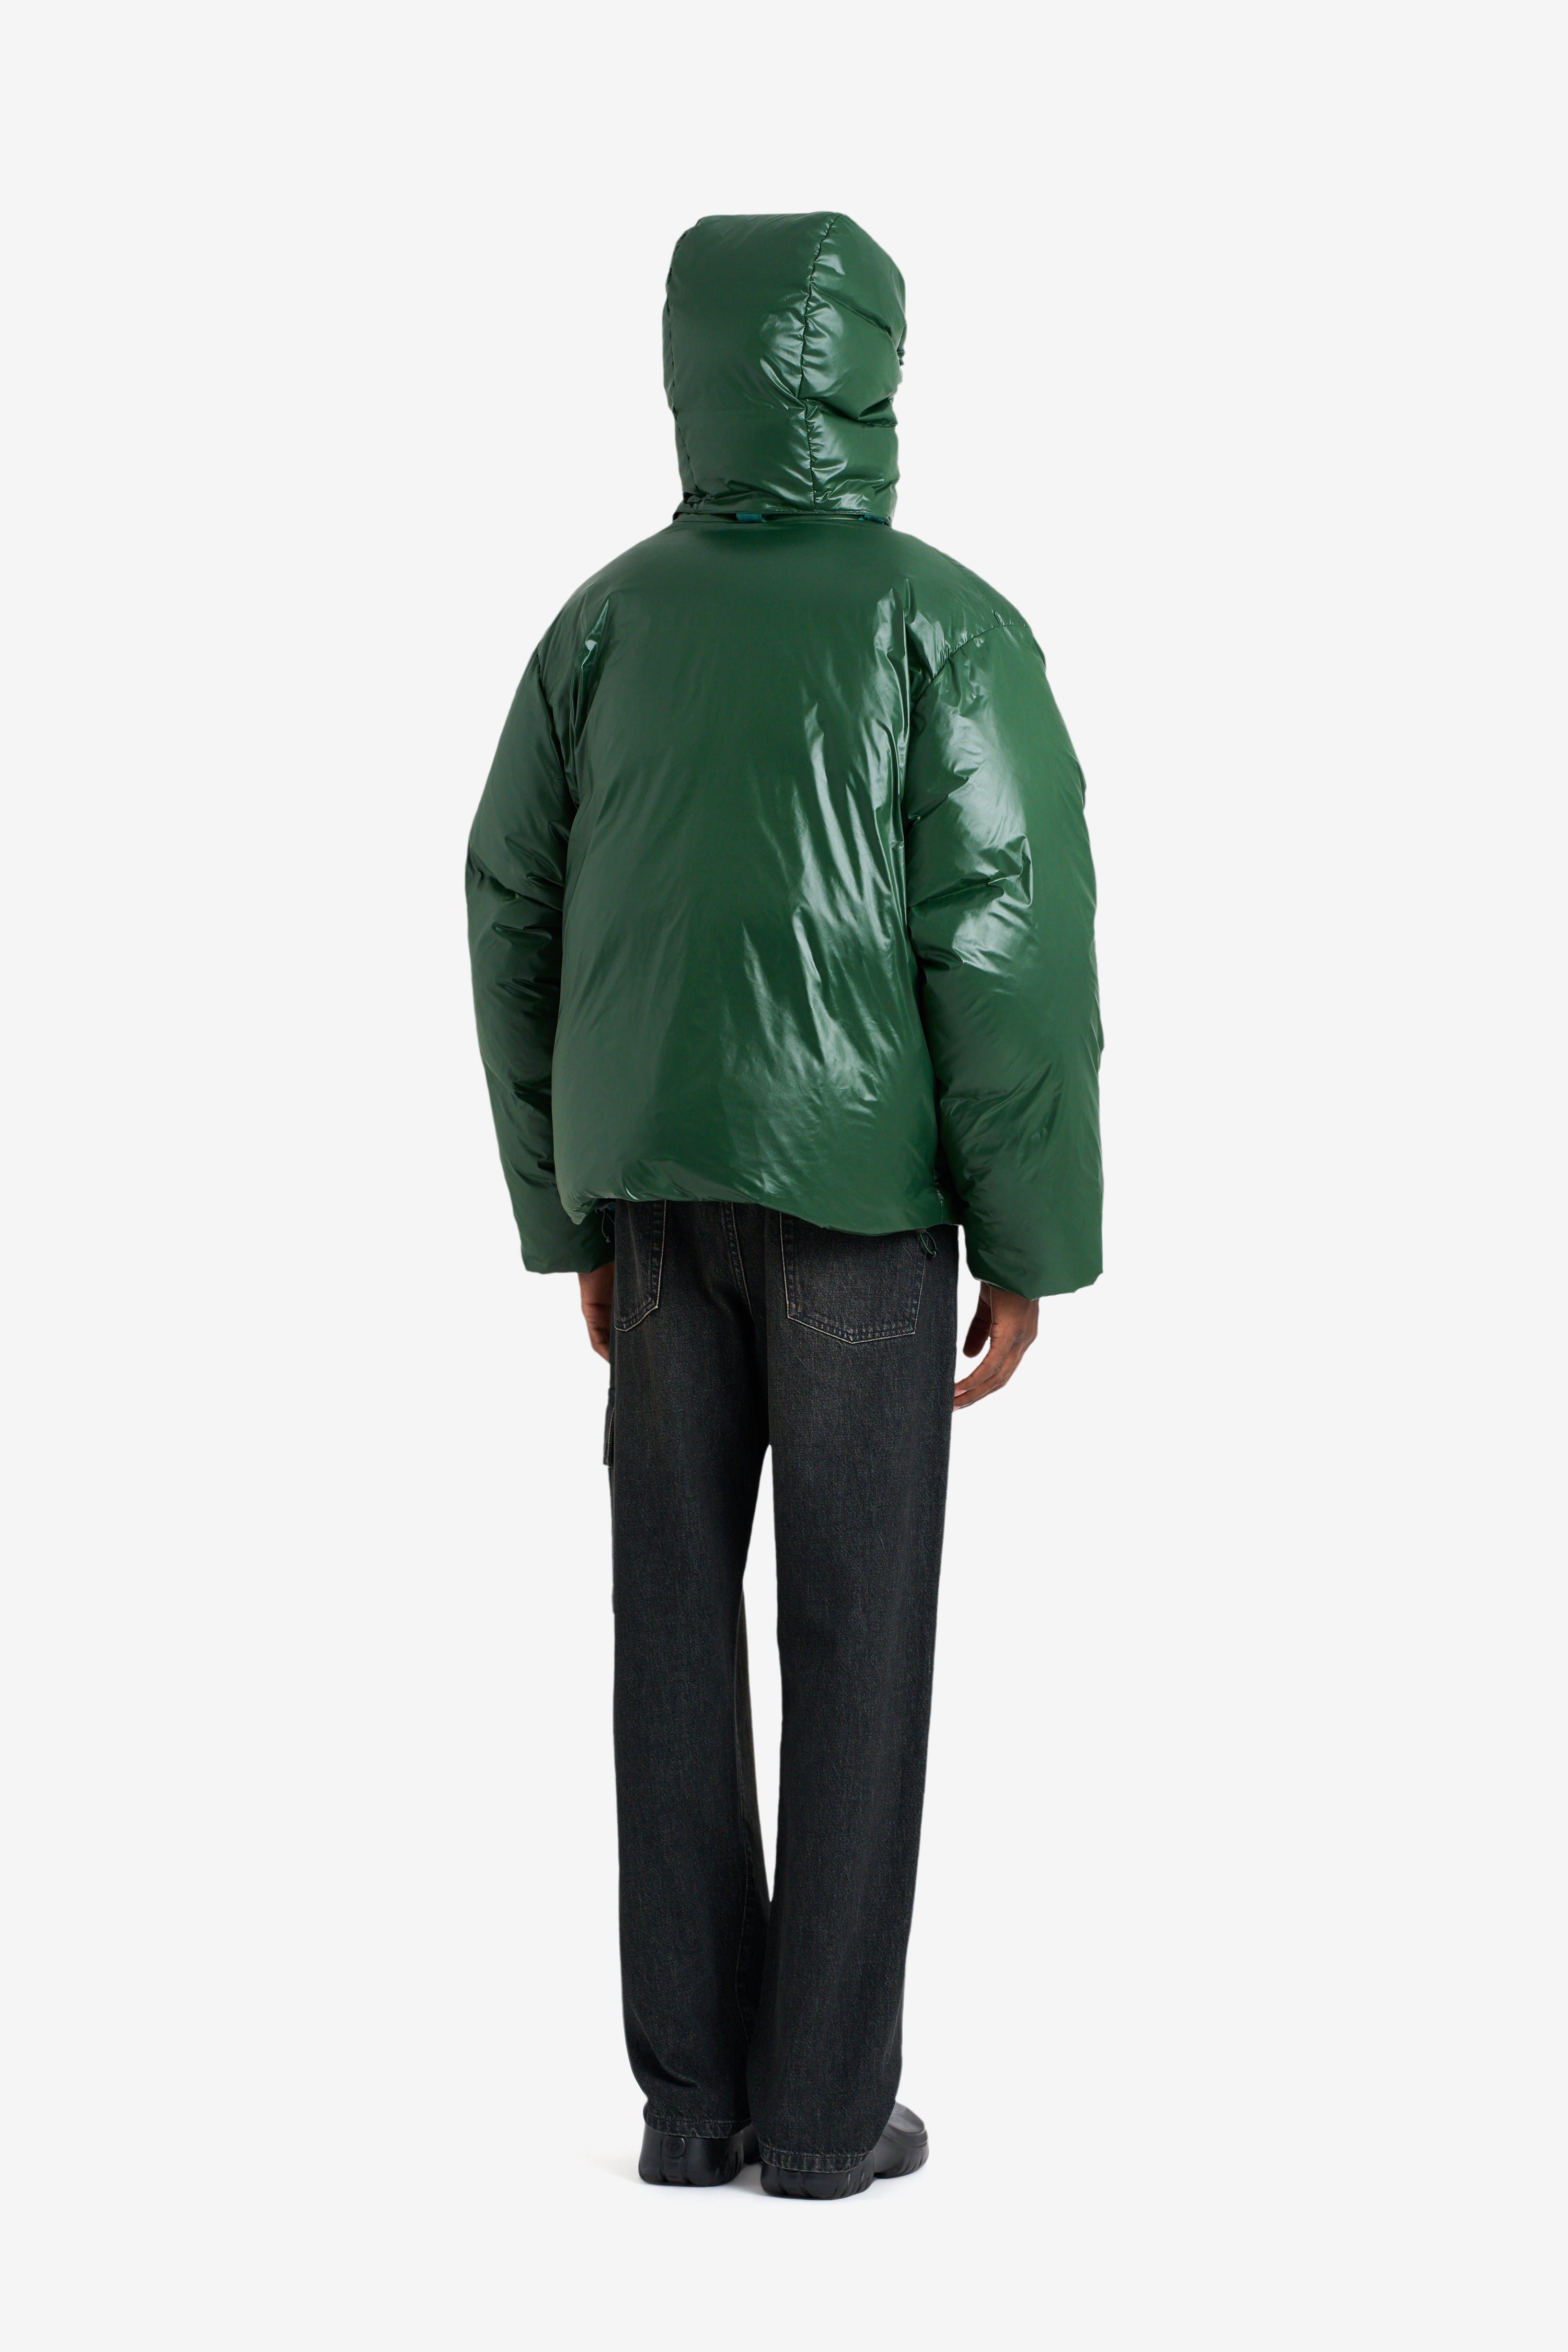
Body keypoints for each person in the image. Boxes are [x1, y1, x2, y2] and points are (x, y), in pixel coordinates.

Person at [467, 212, 1102, 2200]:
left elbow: (509, 907)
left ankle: (693, 2103)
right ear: (874, 373)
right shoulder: (941, 626)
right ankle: (824, 2114)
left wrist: (570, 1210)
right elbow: (1004, 938)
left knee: (670, 1626)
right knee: (857, 1635)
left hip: (656, 1209)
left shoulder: (600, 625)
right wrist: (1032, 1238)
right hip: (864, 1211)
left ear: (693, 371)